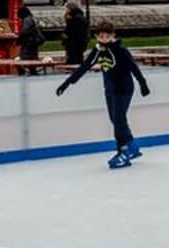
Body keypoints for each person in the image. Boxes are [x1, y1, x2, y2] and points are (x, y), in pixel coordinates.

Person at [55, 20, 151, 168]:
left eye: (107, 35)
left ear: (113, 35)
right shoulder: (98, 51)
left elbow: (134, 67)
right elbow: (84, 67)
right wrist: (68, 83)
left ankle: (123, 152)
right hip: (110, 89)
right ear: (97, 36)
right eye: (101, 35)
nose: (104, 38)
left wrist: (143, 84)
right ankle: (132, 145)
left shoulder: (120, 51)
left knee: (119, 120)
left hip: (124, 89)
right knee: (116, 119)